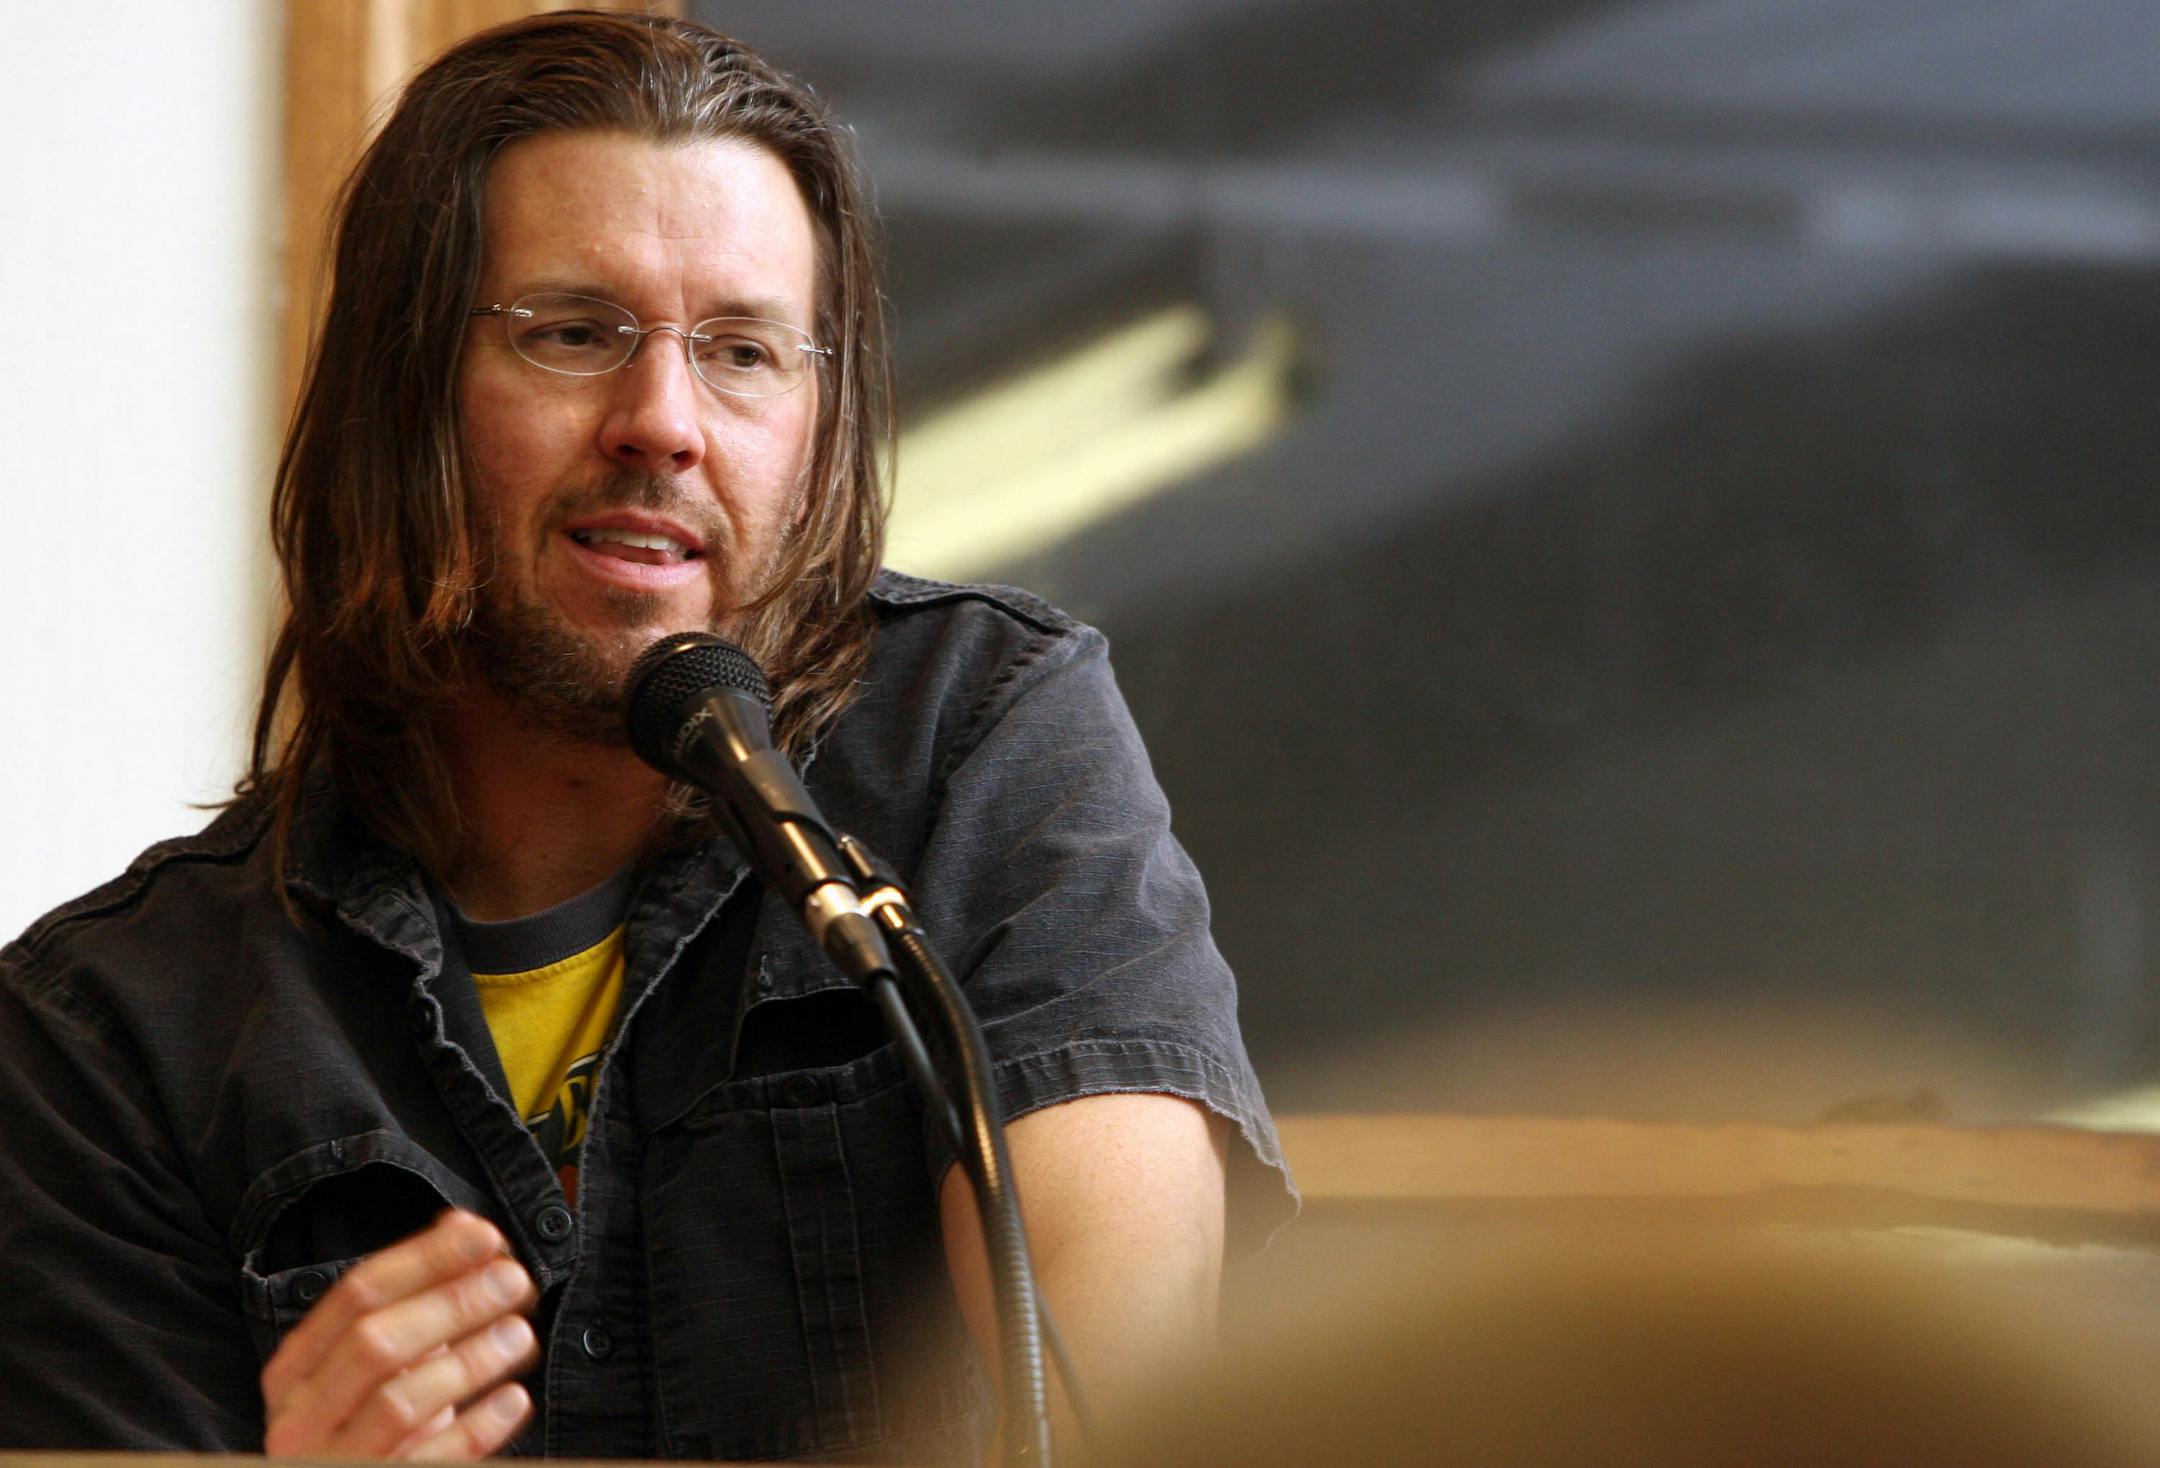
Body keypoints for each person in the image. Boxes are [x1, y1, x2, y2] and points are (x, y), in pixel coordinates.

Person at [0, 11, 1291, 1460]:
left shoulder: (978, 736)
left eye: (742, 350)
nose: (663, 422)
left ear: (820, 419)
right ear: (398, 389)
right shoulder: (105, 1040)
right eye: (572, 333)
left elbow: (1115, 1408)